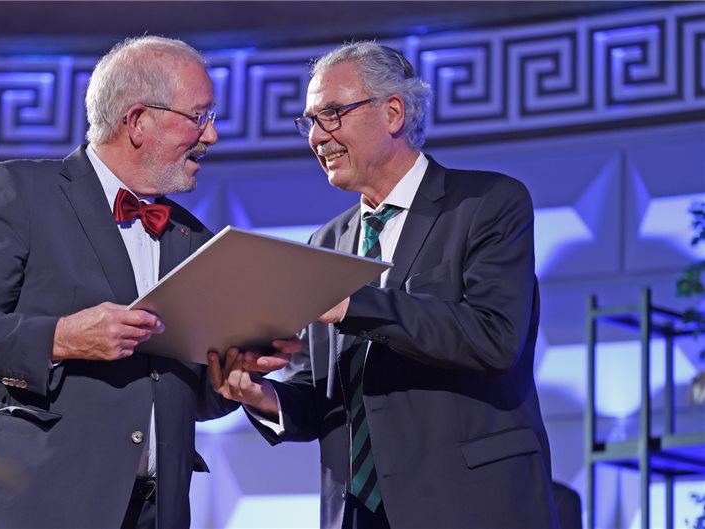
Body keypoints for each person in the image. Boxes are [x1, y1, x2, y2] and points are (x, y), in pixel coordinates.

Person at [0, 36, 263, 529]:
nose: (212, 137)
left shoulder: (193, 236)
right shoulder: (19, 190)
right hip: (31, 506)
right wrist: (59, 338)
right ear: (139, 121)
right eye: (200, 117)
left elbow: (177, 395)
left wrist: (228, 381)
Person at [209, 41, 558, 528]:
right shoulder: (326, 241)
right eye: (309, 120)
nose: (316, 136)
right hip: (357, 513)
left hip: (472, 505)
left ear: (393, 112)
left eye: (331, 114)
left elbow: (494, 338)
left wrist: (354, 303)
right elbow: (320, 396)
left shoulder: (488, 203)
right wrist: (261, 396)